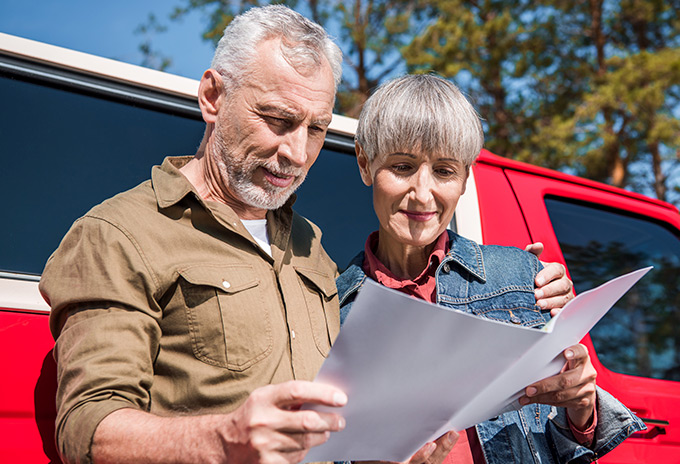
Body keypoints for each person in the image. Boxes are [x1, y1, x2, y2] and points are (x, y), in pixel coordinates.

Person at [40, 6, 573, 464]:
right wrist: (224, 439)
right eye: (276, 119)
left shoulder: (309, 248)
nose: (296, 153)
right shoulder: (117, 233)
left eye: (316, 129)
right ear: (212, 96)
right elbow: (87, 429)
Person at [335, 74, 646, 464]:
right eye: (402, 166)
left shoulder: (522, 279)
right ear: (365, 165)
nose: (422, 192)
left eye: (444, 171)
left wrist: (582, 408)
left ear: (465, 178)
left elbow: (561, 440)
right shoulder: (331, 311)